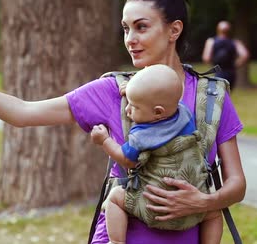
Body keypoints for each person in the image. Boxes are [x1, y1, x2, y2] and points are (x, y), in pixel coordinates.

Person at [0, 0, 246, 244]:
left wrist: (204, 202)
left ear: (174, 30)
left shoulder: (211, 96)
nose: (130, 39)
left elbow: (236, 184)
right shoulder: (111, 91)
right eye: (126, 29)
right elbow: (23, 112)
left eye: (141, 27)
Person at [90, 64, 223, 244]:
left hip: (154, 207)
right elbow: (168, 96)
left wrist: (104, 141)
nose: (128, 110)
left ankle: (116, 242)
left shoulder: (142, 136)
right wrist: (133, 94)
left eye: (134, 106)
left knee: (114, 198)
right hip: (193, 206)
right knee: (214, 213)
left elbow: (127, 161)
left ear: (158, 112)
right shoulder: (184, 114)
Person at [201, 21, 249, 91]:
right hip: (231, 72)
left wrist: (213, 65)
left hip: (218, 71)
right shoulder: (235, 42)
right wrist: (236, 64)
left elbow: (206, 58)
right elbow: (245, 55)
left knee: (218, 95)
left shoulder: (211, 41)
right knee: (227, 95)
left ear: (218, 30)